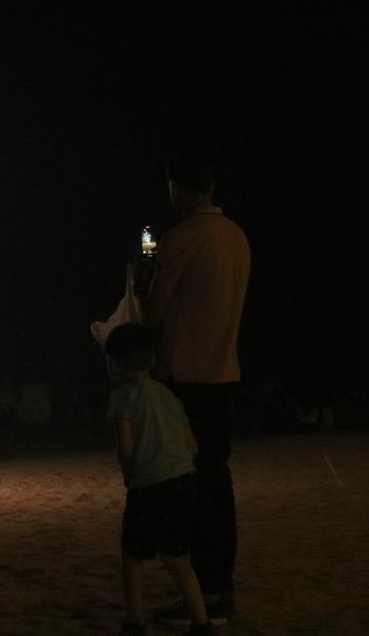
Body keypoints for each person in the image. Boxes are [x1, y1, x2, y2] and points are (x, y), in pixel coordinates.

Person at [141, 150, 250, 625]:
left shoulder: (181, 238)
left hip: (185, 377)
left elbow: (155, 313)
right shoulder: (237, 237)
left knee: (188, 488)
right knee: (217, 482)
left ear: (178, 189)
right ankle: (220, 586)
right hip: (224, 372)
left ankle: (200, 594)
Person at [105, 323, 214, 636]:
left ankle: (135, 621)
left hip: (149, 485)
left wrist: (130, 476)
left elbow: (125, 446)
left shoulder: (122, 396)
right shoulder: (168, 395)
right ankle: (201, 623)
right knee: (177, 556)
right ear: (151, 360)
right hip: (184, 481)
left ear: (114, 362)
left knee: (134, 556)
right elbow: (191, 445)